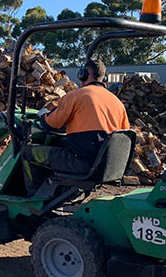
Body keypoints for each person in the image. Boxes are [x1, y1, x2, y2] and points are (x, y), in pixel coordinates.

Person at [23, 59, 130, 196]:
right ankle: (59, 193)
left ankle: (33, 199)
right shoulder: (117, 102)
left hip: (82, 163)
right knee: (60, 144)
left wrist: (43, 115)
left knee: (27, 152)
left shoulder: (76, 96)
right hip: (106, 165)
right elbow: (123, 134)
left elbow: (51, 124)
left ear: (83, 74)